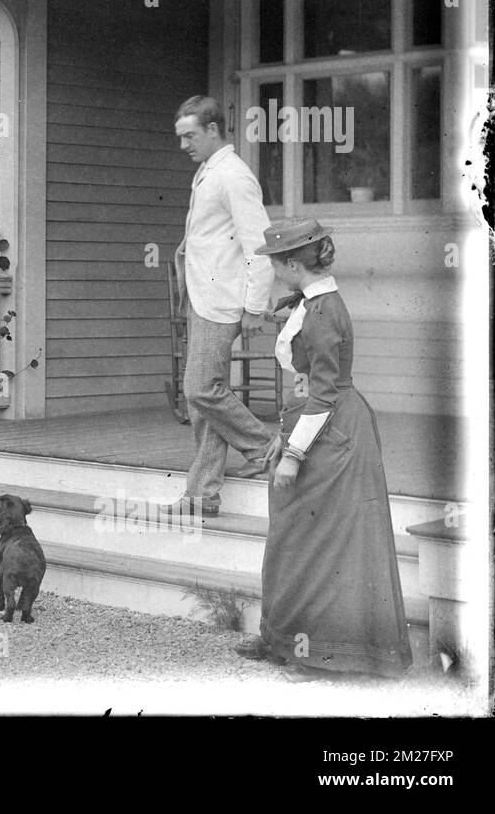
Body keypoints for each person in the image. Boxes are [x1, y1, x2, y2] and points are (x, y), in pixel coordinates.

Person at [235, 218, 412, 680]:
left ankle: (327, 653)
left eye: (275, 263)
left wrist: (294, 453)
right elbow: (306, 385)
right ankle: (285, 641)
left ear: (293, 263)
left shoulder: (325, 311)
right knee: (294, 536)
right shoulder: (308, 303)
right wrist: (285, 436)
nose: (272, 270)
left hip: (335, 434)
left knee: (326, 544)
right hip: (312, 425)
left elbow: (327, 392)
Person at [164, 95, 280, 519]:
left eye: (190, 136)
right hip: (203, 297)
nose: (184, 145)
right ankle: (203, 493)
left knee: (201, 388)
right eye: (180, 137)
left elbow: (261, 247)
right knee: (201, 400)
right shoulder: (208, 171)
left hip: (225, 300)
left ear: (213, 130)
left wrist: (253, 306)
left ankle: (266, 447)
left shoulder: (234, 176)